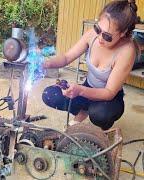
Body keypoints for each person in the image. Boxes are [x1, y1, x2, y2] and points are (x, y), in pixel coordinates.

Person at [42, 0, 138, 130]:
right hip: (88, 88)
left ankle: (102, 128)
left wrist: (80, 90)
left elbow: (109, 92)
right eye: (98, 29)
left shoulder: (127, 50)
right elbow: (66, 58)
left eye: (107, 36)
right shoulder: (92, 35)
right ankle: (82, 111)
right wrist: (46, 63)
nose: (100, 38)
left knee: (100, 115)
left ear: (122, 33)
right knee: (50, 94)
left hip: (109, 99)